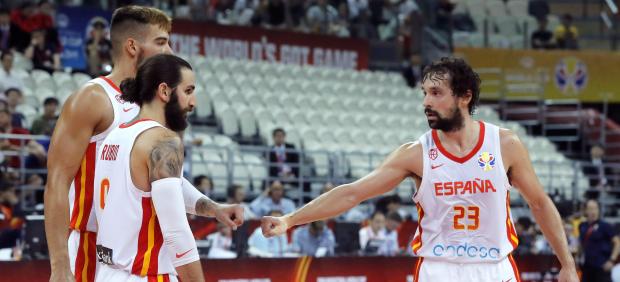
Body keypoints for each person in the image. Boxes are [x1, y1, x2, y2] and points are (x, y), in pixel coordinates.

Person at [262, 57, 579, 282]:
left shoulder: (505, 144)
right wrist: (290, 219)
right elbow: (352, 194)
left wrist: (567, 264)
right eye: (424, 93)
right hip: (438, 268)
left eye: (436, 93)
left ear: (465, 97)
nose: (426, 101)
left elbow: (539, 203)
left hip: (494, 267)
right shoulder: (416, 154)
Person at [43, 6, 238, 282]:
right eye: (161, 42)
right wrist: (60, 265)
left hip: (134, 253)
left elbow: (166, 180)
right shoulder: (93, 98)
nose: (169, 51)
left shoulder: (154, 107)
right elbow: (57, 182)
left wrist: (211, 207)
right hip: (91, 248)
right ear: (132, 46)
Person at [94, 54, 243, 281]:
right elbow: (176, 234)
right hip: (145, 274)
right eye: (188, 91)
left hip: (107, 272)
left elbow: (164, 188)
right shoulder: (163, 141)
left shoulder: (117, 135)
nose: (193, 103)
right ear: (164, 91)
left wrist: (213, 209)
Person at [578, 199, 620, 282]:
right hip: (587, 267)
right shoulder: (582, 226)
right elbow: (581, 243)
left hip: (601, 267)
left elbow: (617, 243)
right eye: (590, 208)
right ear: (586, 210)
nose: (593, 211)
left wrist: (612, 260)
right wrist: (578, 257)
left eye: (595, 208)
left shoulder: (605, 226)